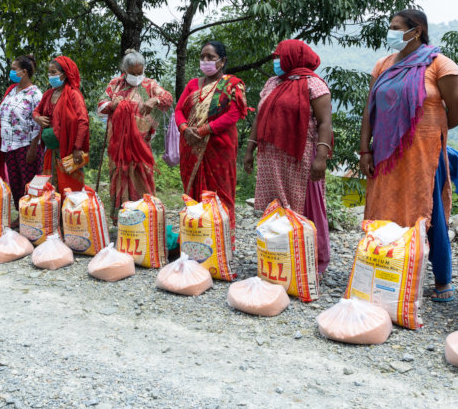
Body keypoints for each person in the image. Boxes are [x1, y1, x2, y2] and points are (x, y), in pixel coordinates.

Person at [359, 9, 458, 302]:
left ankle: (442, 279)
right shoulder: (383, 64)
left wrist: (423, 129)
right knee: (385, 207)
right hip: (385, 153)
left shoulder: (440, 65)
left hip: (424, 153)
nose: (391, 32)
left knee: (428, 210)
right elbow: (370, 109)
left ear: (416, 30)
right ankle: (389, 268)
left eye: (396, 27)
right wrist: (365, 149)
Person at [244, 40, 334, 273]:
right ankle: (279, 257)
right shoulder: (272, 83)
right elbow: (260, 117)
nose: (276, 61)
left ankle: (311, 261)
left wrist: (321, 158)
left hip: (301, 157)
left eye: (279, 56)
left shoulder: (314, 84)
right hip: (271, 159)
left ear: (293, 57)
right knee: (275, 206)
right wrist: (250, 149)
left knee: (306, 205)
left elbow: (325, 123)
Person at [175, 41, 247, 236]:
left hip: (219, 148)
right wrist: (184, 128)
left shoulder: (232, 85)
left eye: (210, 57)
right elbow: (179, 110)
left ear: (222, 61)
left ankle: (222, 240)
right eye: (202, 57)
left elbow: (234, 114)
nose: (205, 60)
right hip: (191, 145)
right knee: (194, 194)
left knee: (220, 193)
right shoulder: (192, 84)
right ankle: (196, 238)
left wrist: (204, 130)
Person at [97, 49, 173, 218]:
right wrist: (114, 105)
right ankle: (122, 218)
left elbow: (168, 99)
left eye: (140, 72)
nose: (137, 76)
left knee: (142, 177)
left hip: (141, 145)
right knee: (119, 177)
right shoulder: (115, 84)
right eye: (132, 73)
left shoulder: (149, 85)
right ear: (125, 70)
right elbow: (101, 105)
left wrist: (154, 100)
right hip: (118, 145)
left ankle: (146, 217)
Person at [33, 55, 90, 194]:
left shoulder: (74, 95)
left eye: (54, 72)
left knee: (70, 189)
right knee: (52, 188)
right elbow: (36, 111)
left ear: (64, 74)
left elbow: (83, 121)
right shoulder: (48, 94)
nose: (50, 76)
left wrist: (77, 148)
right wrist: (38, 118)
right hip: (51, 150)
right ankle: (54, 208)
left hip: (69, 150)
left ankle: (69, 208)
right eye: (49, 72)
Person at [0, 55, 44, 208]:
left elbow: (38, 124)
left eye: (14, 69)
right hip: (9, 146)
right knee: (15, 183)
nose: (11, 72)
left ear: (24, 72)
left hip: (26, 146)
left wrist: (33, 148)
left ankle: (31, 213)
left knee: (28, 182)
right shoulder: (12, 91)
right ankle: (20, 213)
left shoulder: (35, 94)